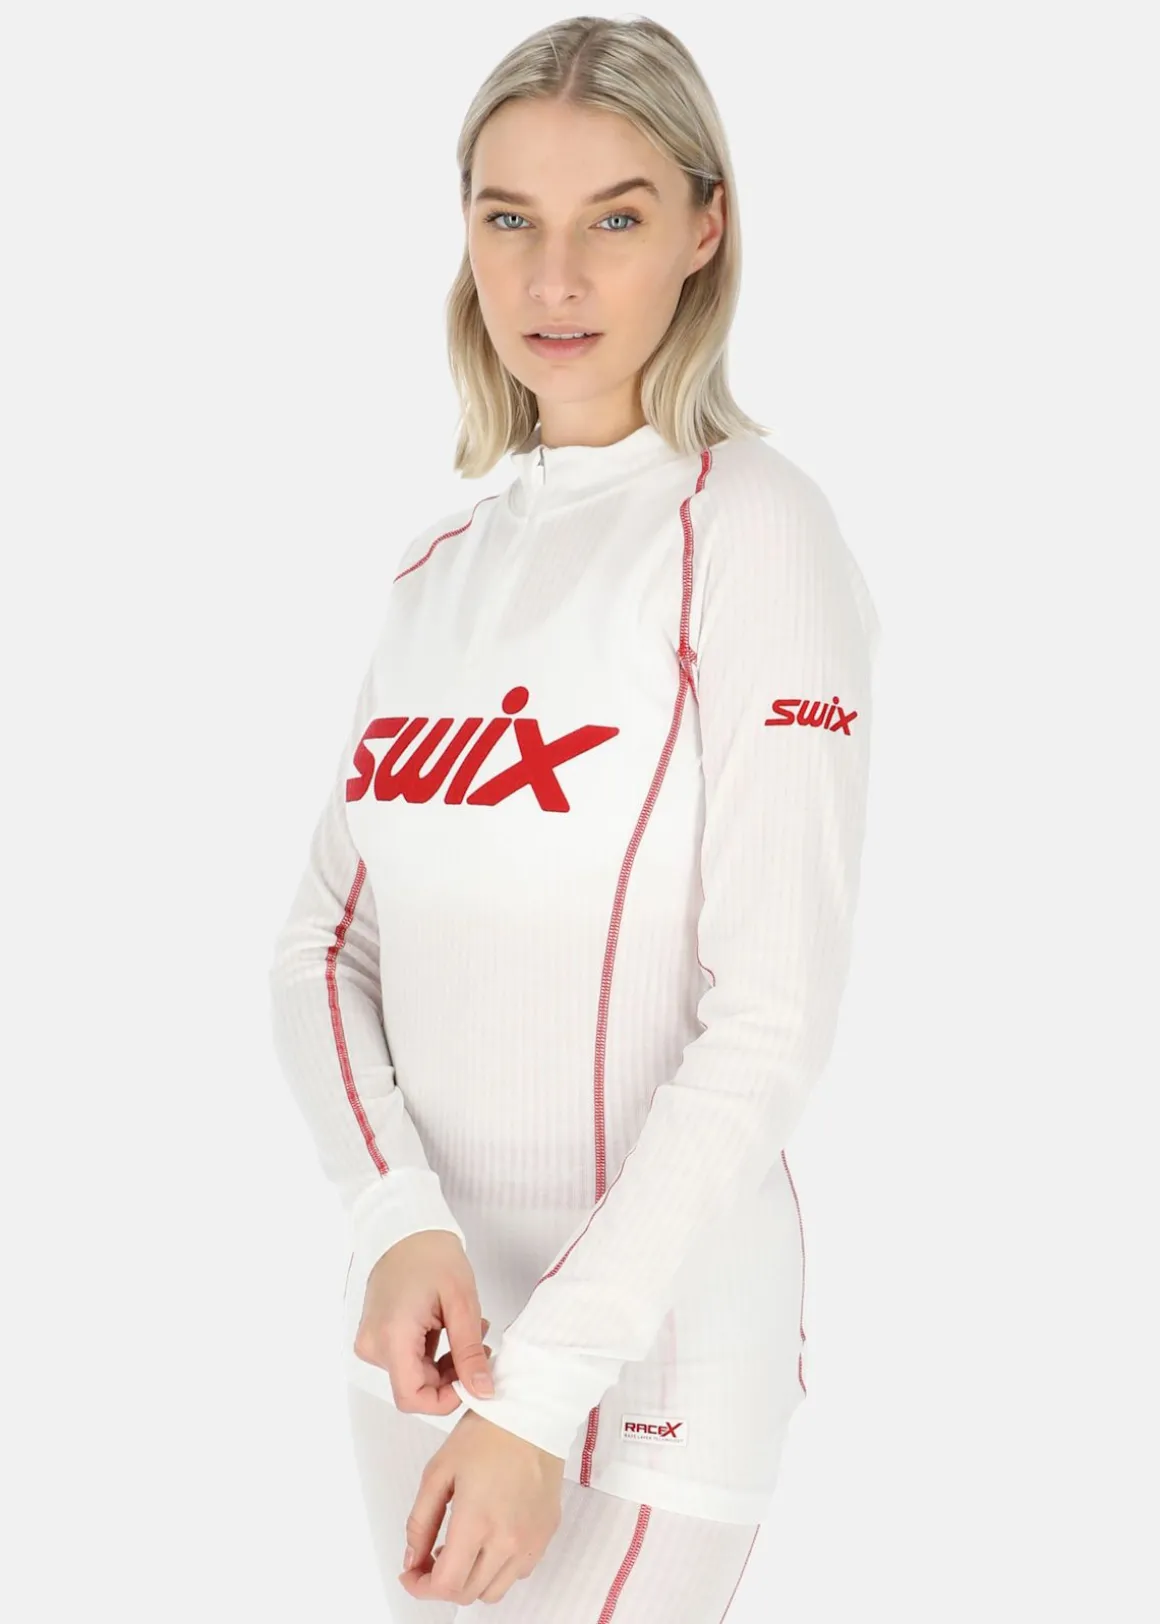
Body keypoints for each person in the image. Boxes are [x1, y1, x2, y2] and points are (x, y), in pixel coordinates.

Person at [267, 14, 881, 1621]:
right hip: (426, 1352)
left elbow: (771, 1018)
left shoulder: (754, 534)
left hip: (650, 1371)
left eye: (614, 216)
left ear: (704, 227)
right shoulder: (438, 574)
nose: (554, 278)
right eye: (508, 218)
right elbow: (322, 947)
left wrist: (541, 1400)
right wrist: (395, 1217)